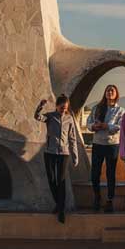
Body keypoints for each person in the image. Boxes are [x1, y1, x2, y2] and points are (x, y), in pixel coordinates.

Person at [35, 94, 81, 223]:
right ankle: (59, 204)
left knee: (61, 180)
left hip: (64, 153)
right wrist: (40, 107)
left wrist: (75, 156)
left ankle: (61, 210)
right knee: (51, 179)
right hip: (50, 152)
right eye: (61, 108)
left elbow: (72, 139)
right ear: (57, 106)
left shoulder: (69, 119)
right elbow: (37, 117)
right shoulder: (50, 116)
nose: (63, 110)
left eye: (65, 108)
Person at [86, 84, 124, 212]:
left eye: (112, 90)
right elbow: (88, 123)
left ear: (116, 94)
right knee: (95, 173)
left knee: (110, 173)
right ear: (105, 93)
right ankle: (97, 196)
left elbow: (119, 127)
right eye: (108, 90)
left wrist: (106, 126)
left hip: (112, 145)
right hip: (97, 144)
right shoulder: (97, 108)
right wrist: (94, 127)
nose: (110, 92)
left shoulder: (120, 111)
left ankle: (109, 199)